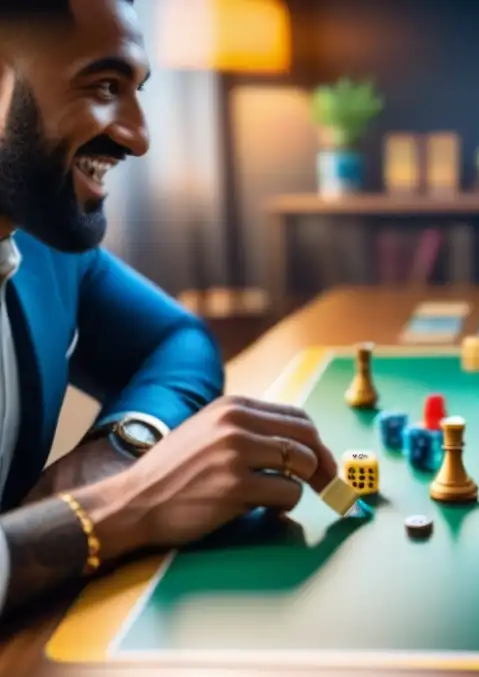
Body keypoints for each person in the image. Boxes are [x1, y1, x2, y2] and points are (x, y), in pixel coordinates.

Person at [0, 0, 337, 622]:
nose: (139, 135)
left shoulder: (43, 241)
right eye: (104, 86)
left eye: (137, 90)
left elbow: (177, 339)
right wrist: (125, 506)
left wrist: (121, 447)